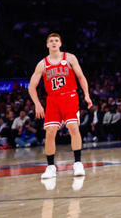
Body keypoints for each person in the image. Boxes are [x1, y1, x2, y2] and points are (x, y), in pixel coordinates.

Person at [28, 33, 93, 180]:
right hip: (52, 100)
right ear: (47, 45)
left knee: (73, 127)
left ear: (60, 43)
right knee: (50, 132)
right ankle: (51, 166)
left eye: (56, 40)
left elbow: (81, 77)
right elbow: (31, 86)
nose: (54, 43)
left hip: (70, 96)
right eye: (51, 41)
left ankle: (77, 163)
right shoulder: (42, 64)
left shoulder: (69, 58)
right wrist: (37, 104)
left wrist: (87, 94)